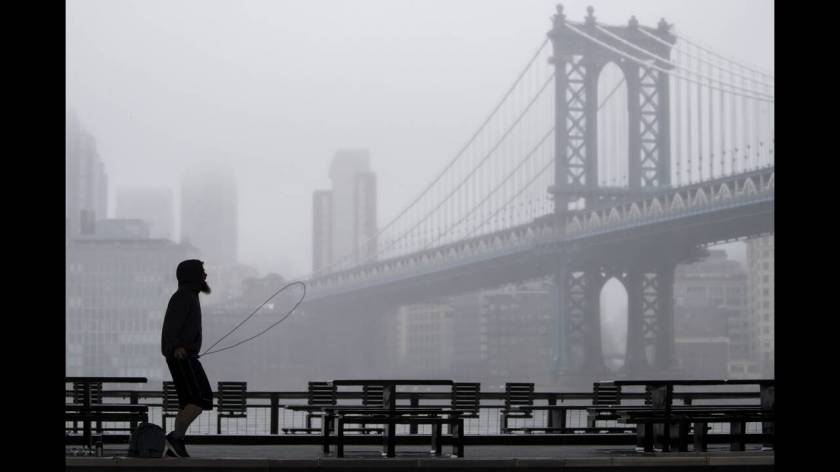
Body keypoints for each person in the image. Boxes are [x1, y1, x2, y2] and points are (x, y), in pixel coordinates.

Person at [160, 259, 213, 458]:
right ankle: (175, 439)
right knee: (199, 399)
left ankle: (176, 443)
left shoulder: (189, 295)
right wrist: (176, 347)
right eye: (202, 272)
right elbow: (171, 327)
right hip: (182, 356)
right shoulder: (183, 297)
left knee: (190, 400)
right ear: (193, 277)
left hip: (185, 355)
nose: (205, 276)